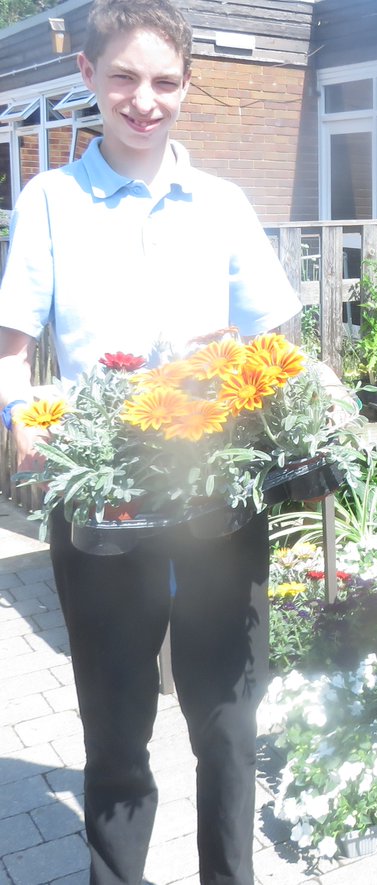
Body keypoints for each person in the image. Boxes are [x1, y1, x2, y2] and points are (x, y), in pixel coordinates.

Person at [0, 1, 300, 882]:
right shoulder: (50, 198)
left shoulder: (222, 203)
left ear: (186, 87)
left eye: (165, 81)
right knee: (118, 725)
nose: (145, 100)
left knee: (229, 724)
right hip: (107, 506)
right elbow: (12, 348)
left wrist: (306, 419)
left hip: (220, 501)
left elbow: (278, 344)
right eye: (124, 77)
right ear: (87, 77)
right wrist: (23, 427)